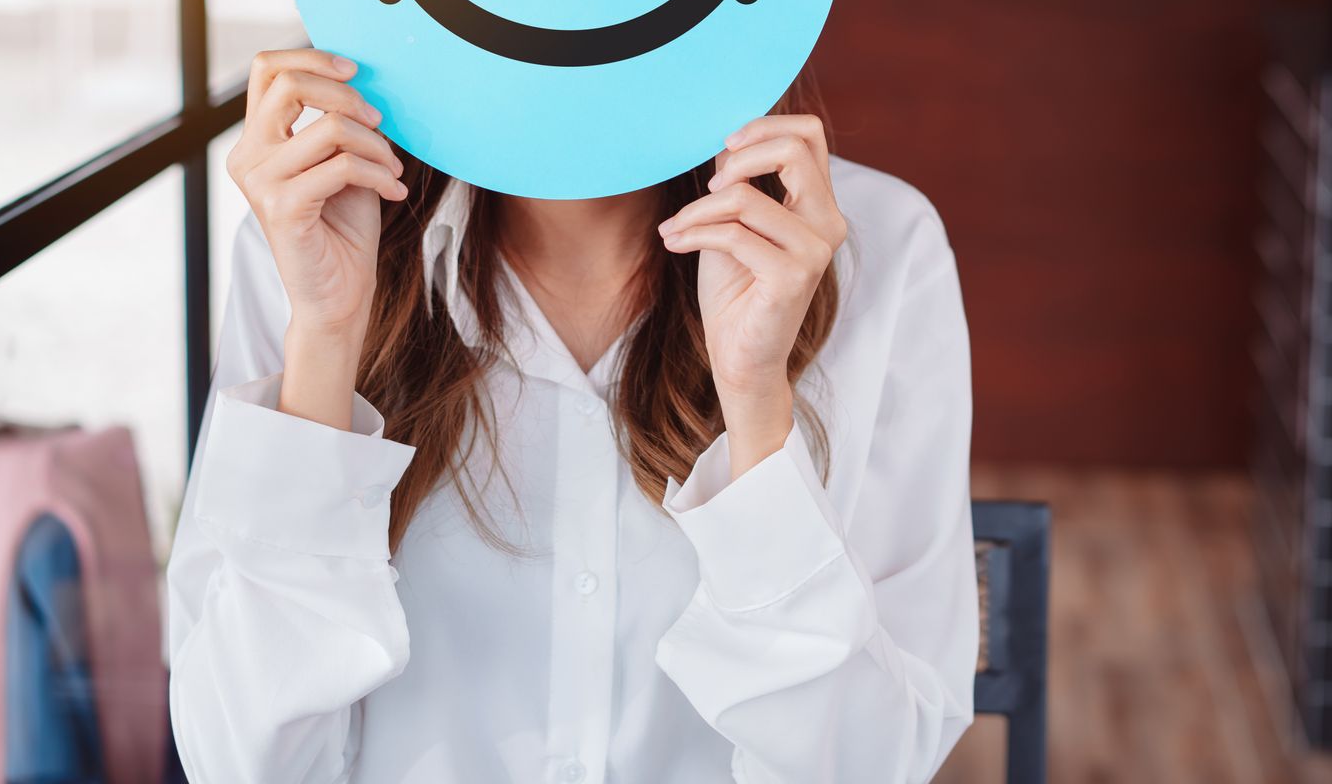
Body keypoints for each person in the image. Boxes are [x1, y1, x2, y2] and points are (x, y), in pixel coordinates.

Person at [166, 48, 977, 783]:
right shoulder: (309, 236)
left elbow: (872, 765)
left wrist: (756, 398)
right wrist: (328, 340)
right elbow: (243, 763)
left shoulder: (882, 249)